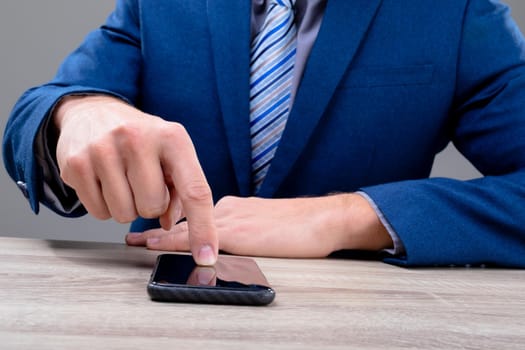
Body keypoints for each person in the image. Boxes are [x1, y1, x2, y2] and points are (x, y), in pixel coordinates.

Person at [3, 0, 525, 267]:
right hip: (166, 319)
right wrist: (74, 114)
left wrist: (346, 217)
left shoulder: (456, 11)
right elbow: (34, 114)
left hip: (361, 325)